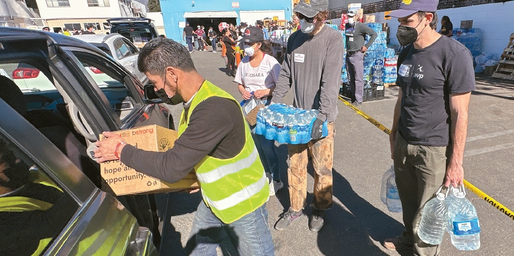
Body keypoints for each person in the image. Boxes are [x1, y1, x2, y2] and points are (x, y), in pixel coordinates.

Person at [94, 38, 274, 256]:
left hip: (244, 207)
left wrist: (119, 150)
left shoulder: (213, 109)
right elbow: (202, 152)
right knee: (198, 252)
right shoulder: (196, 102)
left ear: (172, 73)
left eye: (155, 82)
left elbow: (172, 167)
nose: (156, 89)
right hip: (215, 201)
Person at [385, 0, 475, 255]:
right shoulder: (406, 52)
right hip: (404, 140)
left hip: (433, 149)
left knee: (428, 216)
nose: (402, 27)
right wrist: (394, 133)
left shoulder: (454, 55)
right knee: (409, 202)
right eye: (400, 22)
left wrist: (456, 162)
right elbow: (402, 97)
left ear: (427, 17)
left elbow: (460, 112)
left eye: (407, 21)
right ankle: (406, 238)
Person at [271, 0, 344, 232]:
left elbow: (330, 81)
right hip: (298, 117)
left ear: (322, 16)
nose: (303, 21)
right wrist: (274, 104)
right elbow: (285, 75)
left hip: (322, 118)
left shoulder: (333, 39)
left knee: (322, 168)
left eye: (309, 17)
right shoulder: (294, 39)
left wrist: (322, 116)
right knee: (295, 164)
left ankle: (320, 208)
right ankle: (295, 208)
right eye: (300, 15)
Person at [0, 136, 75, 255]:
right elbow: (51, 222)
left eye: (12, 155)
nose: (17, 160)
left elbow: (78, 173)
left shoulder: (36, 175)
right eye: (5, 159)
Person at [234, 27, 283, 196]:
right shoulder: (243, 62)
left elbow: (280, 87)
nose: (246, 46)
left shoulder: (271, 62)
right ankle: (266, 174)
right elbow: (239, 83)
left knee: (268, 146)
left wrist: (266, 91)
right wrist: (242, 91)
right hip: (250, 108)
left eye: (250, 43)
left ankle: (277, 180)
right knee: (257, 146)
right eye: (245, 43)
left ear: (259, 45)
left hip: (266, 107)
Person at [345, 9, 377, 106]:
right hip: (349, 54)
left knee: (358, 78)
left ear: (357, 16)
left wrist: (366, 46)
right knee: (350, 77)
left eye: (352, 16)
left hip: (357, 54)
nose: (350, 18)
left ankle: (358, 100)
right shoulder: (347, 26)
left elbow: (374, 34)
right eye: (349, 16)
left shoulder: (361, 26)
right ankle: (353, 97)